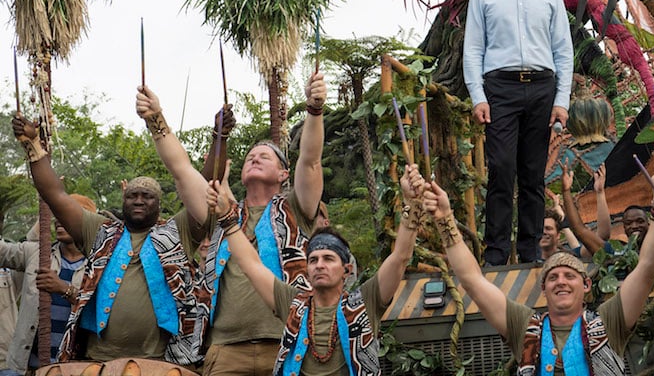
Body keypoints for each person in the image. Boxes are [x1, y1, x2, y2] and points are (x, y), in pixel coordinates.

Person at [139, 74, 328, 376]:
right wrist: (155, 119)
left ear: (283, 174)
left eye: (264, 156)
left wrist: (314, 110)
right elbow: (181, 168)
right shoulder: (221, 212)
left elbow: (310, 161)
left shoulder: (297, 208)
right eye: (250, 157)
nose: (254, 158)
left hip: (287, 343)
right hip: (225, 351)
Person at [422, 162, 654, 375]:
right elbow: (472, 280)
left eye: (569, 275)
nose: (561, 281)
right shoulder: (524, 327)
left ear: (586, 285)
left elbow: (646, 267)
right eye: (553, 277)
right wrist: (445, 220)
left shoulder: (609, 322)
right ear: (544, 288)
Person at [11, 115, 203, 366]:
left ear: (159, 204)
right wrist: (33, 145)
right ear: (123, 200)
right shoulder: (101, 232)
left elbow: (199, 195)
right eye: (132, 195)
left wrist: (219, 138)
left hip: (159, 362)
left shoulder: (176, 233)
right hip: (97, 361)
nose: (138, 200)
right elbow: (55, 194)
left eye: (147, 196)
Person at [206, 163, 424, 376]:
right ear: (307, 270)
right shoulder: (293, 303)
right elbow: (251, 265)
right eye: (313, 260)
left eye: (329, 259)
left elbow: (400, 257)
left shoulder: (366, 301)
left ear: (346, 270)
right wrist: (227, 219)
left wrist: (412, 204)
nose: (320, 265)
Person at [464, 0, 574, 266]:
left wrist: (562, 101)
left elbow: (564, 51)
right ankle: (495, 252)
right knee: (500, 167)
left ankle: (529, 252)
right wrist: (478, 96)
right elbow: (473, 50)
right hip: (500, 87)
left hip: (541, 88)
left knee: (532, 173)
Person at [0, 196, 94, 374]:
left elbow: (106, 312)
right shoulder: (36, 253)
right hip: (26, 367)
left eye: (65, 214)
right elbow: (3, 252)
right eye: (57, 214)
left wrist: (65, 289)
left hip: (75, 368)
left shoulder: (99, 264)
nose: (58, 220)